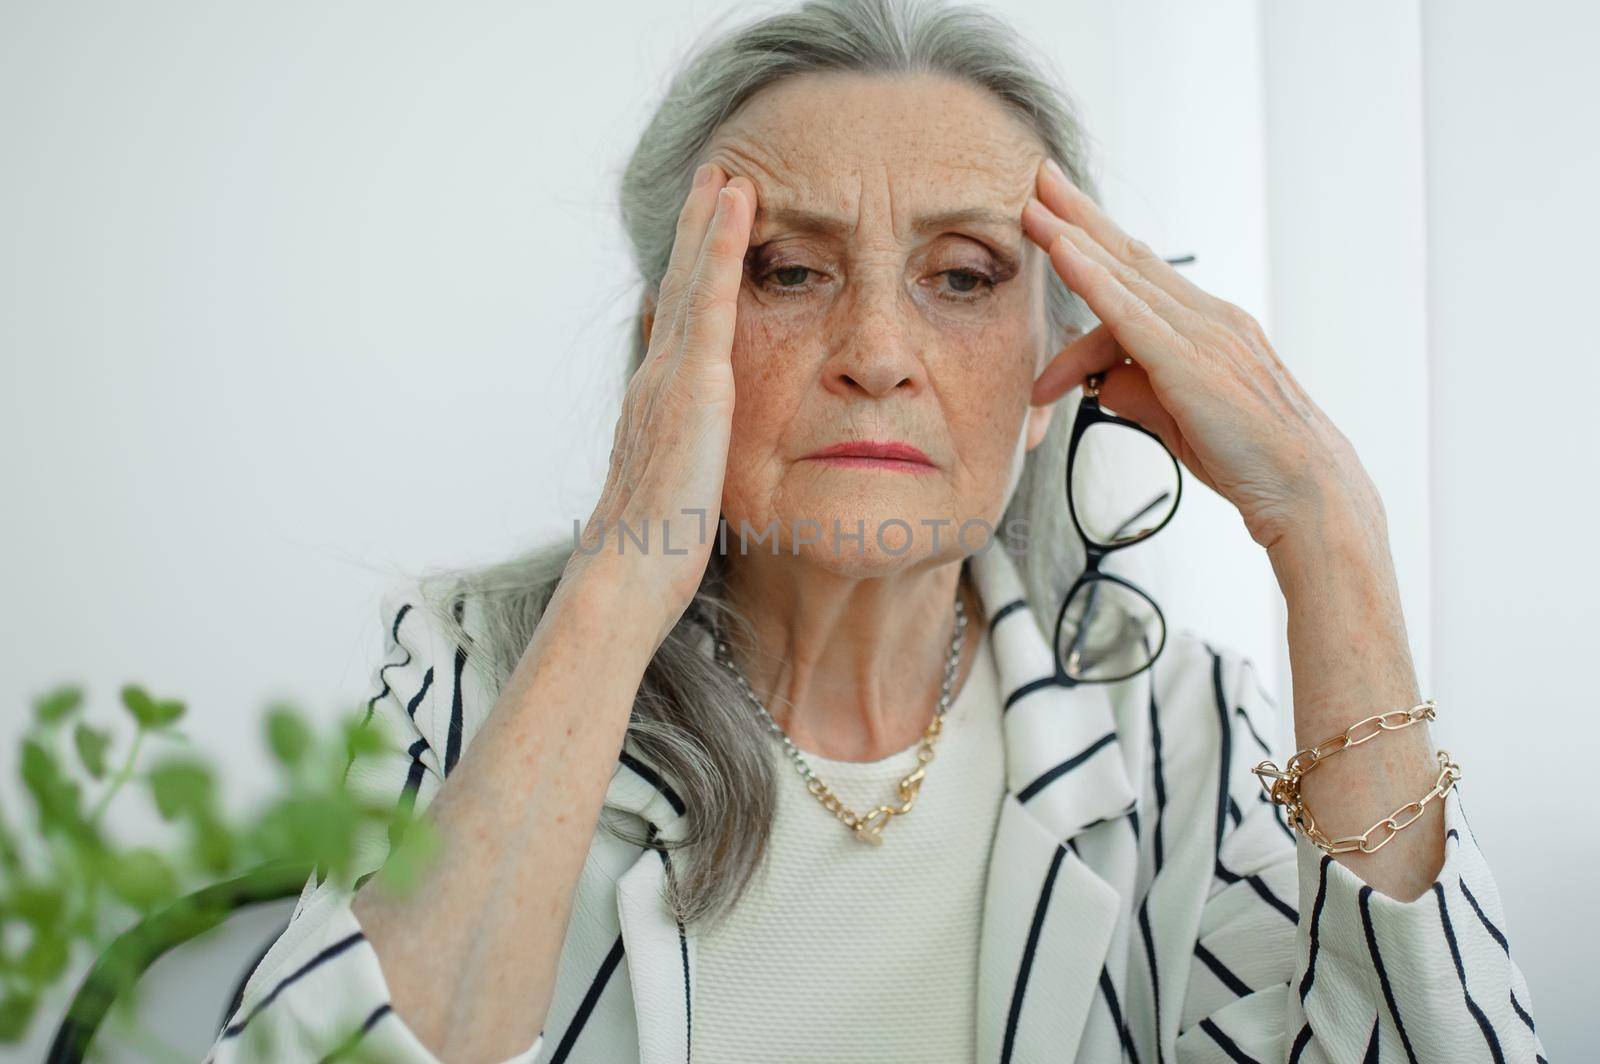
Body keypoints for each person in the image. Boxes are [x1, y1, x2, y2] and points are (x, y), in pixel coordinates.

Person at [206, 1, 1545, 1061]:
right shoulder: (471, 671)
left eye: (964, 277)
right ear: (673, 343)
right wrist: (620, 581)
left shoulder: (1181, 731)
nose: (878, 353)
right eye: (787, 270)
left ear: (1053, 374)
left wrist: (1329, 529)